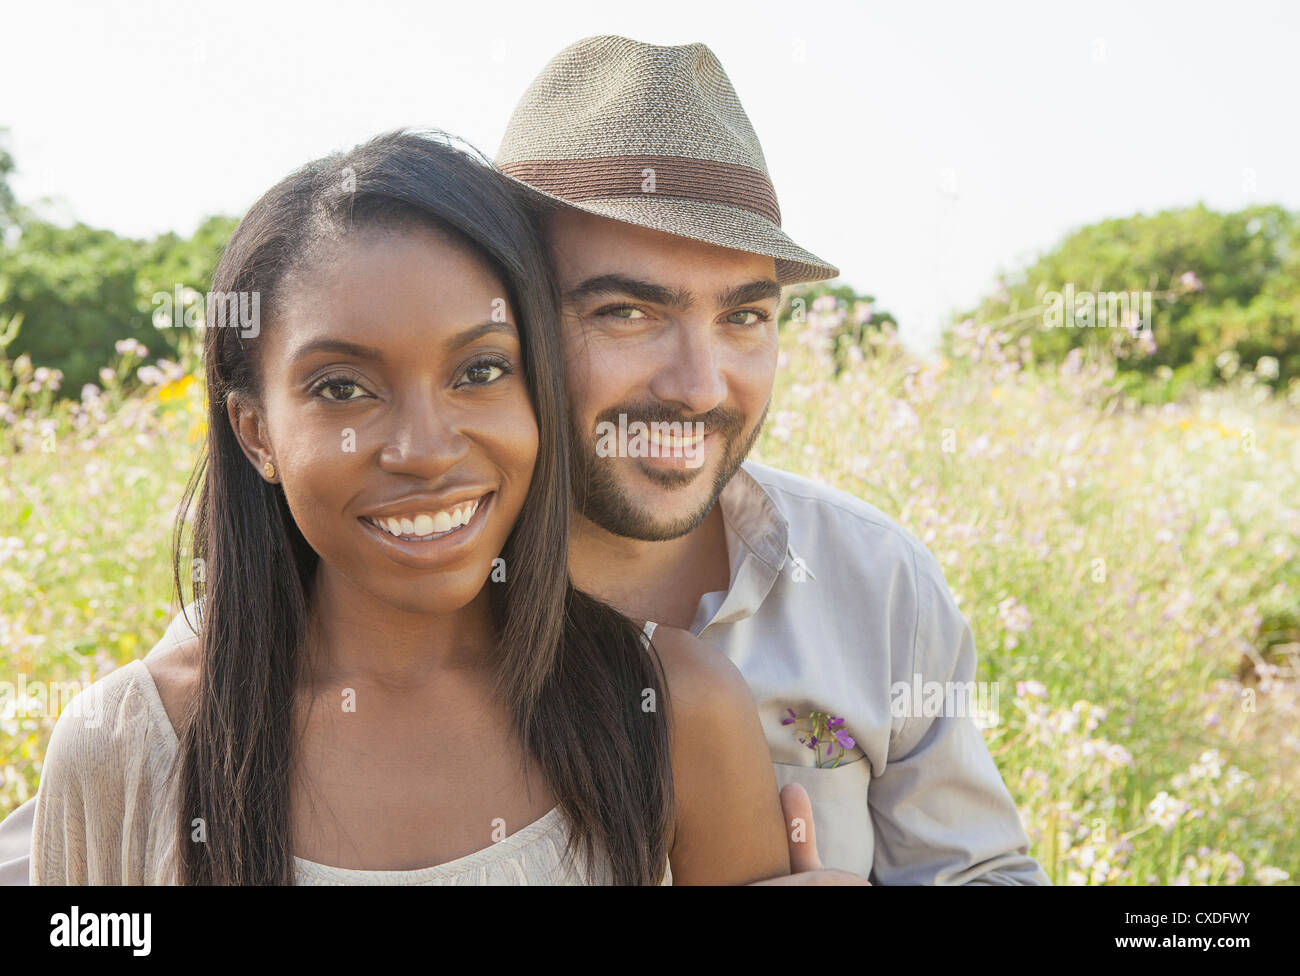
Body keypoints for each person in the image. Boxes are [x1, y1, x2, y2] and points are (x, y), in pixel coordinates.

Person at [1, 34, 1048, 886]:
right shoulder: (253, 652)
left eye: (745, 315)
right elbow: (106, 817)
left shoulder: (862, 586)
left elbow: (986, 869)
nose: (698, 383)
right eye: (627, 310)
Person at [25, 129, 790, 885]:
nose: (424, 450)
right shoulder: (124, 747)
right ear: (256, 433)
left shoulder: (677, 710)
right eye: (343, 388)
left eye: (480, 370)